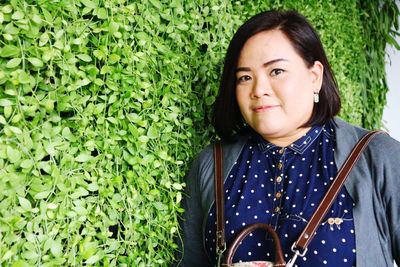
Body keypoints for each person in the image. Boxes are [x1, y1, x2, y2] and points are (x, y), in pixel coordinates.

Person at [177, 10, 400, 267]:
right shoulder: (210, 164)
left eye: (276, 71)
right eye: (245, 77)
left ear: (314, 76)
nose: (259, 90)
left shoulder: (378, 157)